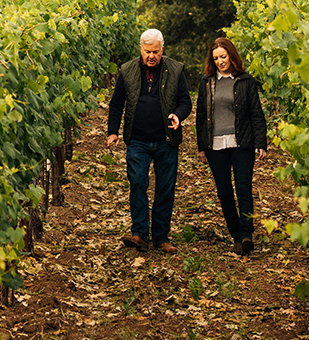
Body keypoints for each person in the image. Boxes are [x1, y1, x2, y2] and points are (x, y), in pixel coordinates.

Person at [106, 29, 192, 254]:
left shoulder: (175, 70)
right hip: (137, 140)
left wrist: (178, 115)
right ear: (140, 49)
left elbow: (185, 101)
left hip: (166, 140)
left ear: (162, 50)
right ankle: (140, 234)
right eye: (147, 51)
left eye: (155, 51)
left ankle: (161, 237)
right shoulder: (128, 70)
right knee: (137, 183)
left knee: (165, 188)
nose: (151, 56)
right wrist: (112, 132)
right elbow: (117, 103)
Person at [195, 37, 267, 257]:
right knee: (225, 192)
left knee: (243, 189)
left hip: (241, 142)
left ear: (231, 56)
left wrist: (261, 142)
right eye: (216, 58)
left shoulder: (245, 81)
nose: (220, 62)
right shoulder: (207, 83)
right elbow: (201, 116)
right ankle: (235, 235)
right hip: (215, 145)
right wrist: (201, 146)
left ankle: (246, 235)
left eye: (223, 57)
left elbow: (256, 113)